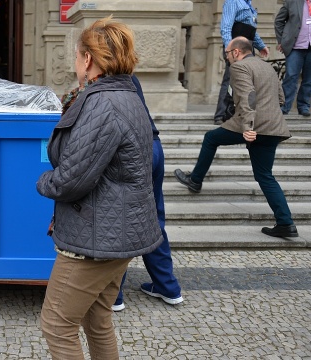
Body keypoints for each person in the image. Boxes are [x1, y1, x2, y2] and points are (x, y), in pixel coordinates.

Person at [36, 16, 163, 360]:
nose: (75, 63)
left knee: (57, 324)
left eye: (76, 56)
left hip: (96, 237)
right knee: (97, 318)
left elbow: (71, 179)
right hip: (118, 231)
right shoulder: (127, 95)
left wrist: (43, 182)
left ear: (88, 60)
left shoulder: (102, 103)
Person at [175, 36, 298, 238]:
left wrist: (249, 127)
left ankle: (195, 180)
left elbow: (248, 97)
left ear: (237, 52)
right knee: (265, 176)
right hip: (273, 127)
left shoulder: (239, 68)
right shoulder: (266, 66)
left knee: (211, 138)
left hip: (253, 126)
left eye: (227, 54)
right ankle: (286, 223)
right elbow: (281, 98)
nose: (227, 58)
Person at [112, 75, 183, 312]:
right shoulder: (130, 77)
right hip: (153, 145)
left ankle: (114, 295)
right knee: (153, 219)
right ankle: (168, 287)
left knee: (117, 219)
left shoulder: (105, 79)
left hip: (131, 150)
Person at [214, 0, 269, 125]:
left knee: (247, 82)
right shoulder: (233, 1)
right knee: (230, 80)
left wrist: (261, 46)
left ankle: (239, 113)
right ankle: (221, 114)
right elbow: (226, 27)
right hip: (236, 49)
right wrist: (230, 50)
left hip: (248, 48)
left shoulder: (248, 4)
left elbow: (251, 29)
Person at [275, 0, 311, 116]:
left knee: (309, 80)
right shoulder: (292, 2)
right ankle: (284, 106)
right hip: (295, 47)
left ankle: (304, 106)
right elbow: (279, 21)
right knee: (291, 77)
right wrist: (282, 40)